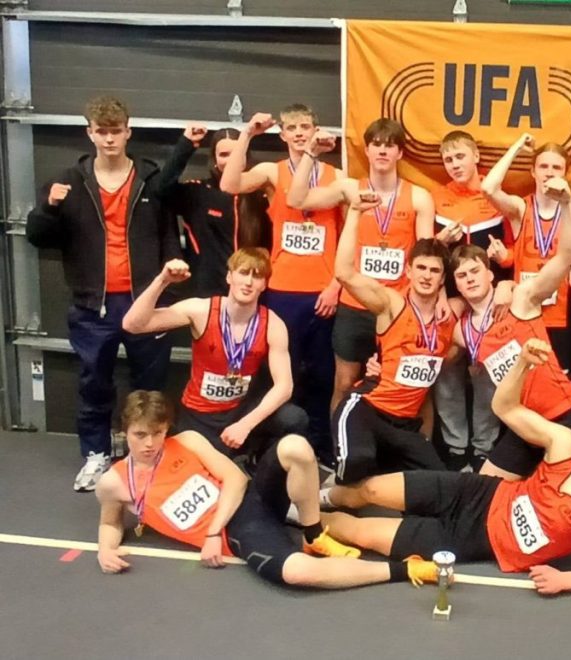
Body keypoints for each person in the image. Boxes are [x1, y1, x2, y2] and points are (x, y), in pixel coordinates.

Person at [322, 339, 571, 594]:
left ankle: (307, 518)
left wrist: (564, 580)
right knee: (371, 489)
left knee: (362, 533)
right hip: (477, 494)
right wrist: (522, 363)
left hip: (476, 539)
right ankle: (318, 499)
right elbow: (504, 407)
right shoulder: (566, 445)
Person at [95, 390, 441, 588]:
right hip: (240, 531)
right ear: (125, 432)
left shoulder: (187, 440)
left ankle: (313, 533)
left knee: (295, 446)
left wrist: (212, 532)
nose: (150, 443)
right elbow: (110, 522)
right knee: (297, 572)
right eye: (141, 435)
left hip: (247, 501)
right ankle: (406, 569)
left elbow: (235, 479)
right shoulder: (114, 482)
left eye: (157, 433)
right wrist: (104, 550)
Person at [26, 96, 180, 492]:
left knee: (150, 386)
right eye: (102, 132)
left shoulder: (150, 177)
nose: (109, 139)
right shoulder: (68, 182)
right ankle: (96, 454)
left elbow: (168, 231)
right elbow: (37, 237)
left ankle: (145, 457)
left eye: (116, 131)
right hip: (93, 305)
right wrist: (49, 207)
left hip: (145, 302)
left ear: (128, 132)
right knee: (94, 383)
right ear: (89, 134)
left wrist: (170, 272)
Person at [220, 104, 352, 465]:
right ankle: (275, 449)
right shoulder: (272, 172)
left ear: (315, 130)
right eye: (292, 128)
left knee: (323, 375)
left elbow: (348, 235)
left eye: (305, 126)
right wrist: (247, 134)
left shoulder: (336, 177)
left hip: (323, 292)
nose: (299, 133)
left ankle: (321, 449)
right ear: (282, 135)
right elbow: (229, 184)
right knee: (279, 374)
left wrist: (336, 285)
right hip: (281, 291)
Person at [290, 118, 436, 413]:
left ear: (400, 153)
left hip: (397, 306)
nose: (382, 151)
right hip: (354, 304)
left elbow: (427, 257)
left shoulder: (419, 197)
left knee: (407, 385)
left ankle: (406, 442)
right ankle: (338, 442)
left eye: (389, 146)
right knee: (344, 382)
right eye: (376, 145)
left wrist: (437, 297)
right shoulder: (349, 188)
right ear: (366, 151)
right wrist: (310, 153)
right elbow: (296, 199)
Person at [453, 175, 571, 480]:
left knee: (567, 496)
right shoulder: (462, 331)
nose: (470, 279)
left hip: (562, 415)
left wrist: (567, 205)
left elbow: (566, 257)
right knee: (485, 488)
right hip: (523, 425)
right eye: (461, 276)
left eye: (475, 271)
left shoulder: (520, 299)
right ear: (456, 285)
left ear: (490, 274)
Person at [122, 249, 306, 459]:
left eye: (257, 276)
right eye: (243, 273)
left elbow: (284, 387)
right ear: (229, 276)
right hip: (199, 414)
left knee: (294, 418)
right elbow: (132, 324)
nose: (248, 282)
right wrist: (162, 281)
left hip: (241, 411)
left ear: (264, 284)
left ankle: (258, 465)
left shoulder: (273, 324)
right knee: (200, 468)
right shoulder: (201, 311)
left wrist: (245, 425)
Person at [331, 202, 452, 483]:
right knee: (356, 465)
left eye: (434, 271)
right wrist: (354, 214)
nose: (426, 275)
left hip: (405, 424)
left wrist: (506, 288)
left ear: (443, 279)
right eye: (420, 268)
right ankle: (327, 496)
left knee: (437, 484)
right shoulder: (392, 304)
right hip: (368, 409)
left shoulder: (450, 317)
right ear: (408, 271)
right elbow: (344, 273)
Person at [431, 130, 506, 471]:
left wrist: (505, 278)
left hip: (489, 300)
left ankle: (483, 448)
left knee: (486, 368)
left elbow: (516, 251)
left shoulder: (496, 196)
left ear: (476, 156)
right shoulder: (437, 197)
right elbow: (424, 255)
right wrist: (439, 242)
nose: (454, 164)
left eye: (460, 156)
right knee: (447, 365)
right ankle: (454, 446)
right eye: (448, 159)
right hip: (449, 300)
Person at [482, 133, 571, 372]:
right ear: (533, 171)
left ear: (565, 173)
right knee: (520, 379)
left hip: (558, 317)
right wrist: (518, 146)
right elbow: (488, 188)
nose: (549, 173)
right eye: (543, 166)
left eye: (556, 168)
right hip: (522, 312)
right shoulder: (521, 208)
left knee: (554, 382)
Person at [153, 123, 270, 296]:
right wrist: (186, 144)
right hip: (204, 294)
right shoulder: (197, 191)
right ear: (214, 159)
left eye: (236, 154)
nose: (230, 161)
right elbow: (161, 189)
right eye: (224, 155)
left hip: (251, 293)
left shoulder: (262, 195)